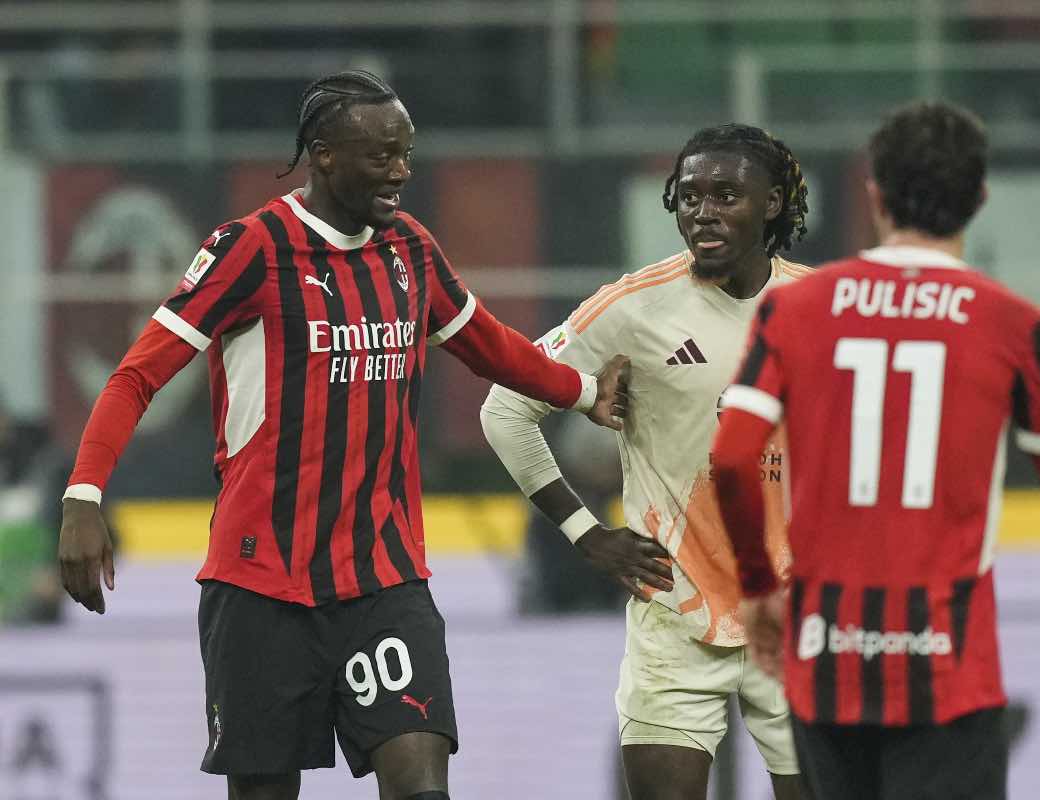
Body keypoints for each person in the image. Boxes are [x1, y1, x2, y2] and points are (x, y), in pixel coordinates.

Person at [57, 69, 630, 800]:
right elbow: (134, 377)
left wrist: (585, 393)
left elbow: (488, 346)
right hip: (262, 585)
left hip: (384, 579)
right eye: (382, 155)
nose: (401, 171)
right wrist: (83, 496)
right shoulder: (251, 249)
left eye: (407, 152)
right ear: (323, 155)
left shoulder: (410, 248)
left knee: (421, 783)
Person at [710, 101, 1040, 800]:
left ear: (875, 194)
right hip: (948, 666)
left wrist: (758, 587)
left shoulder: (795, 309)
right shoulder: (1016, 325)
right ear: (980, 199)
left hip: (825, 655)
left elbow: (731, 459)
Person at [481, 124, 814, 799]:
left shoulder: (820, 308)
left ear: (773, 203)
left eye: (726, 196)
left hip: (798, 619)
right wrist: (586, 533)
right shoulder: (631, 308)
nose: (703, 212)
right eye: (689, 196)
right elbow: (505, 409)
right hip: (676, 618)